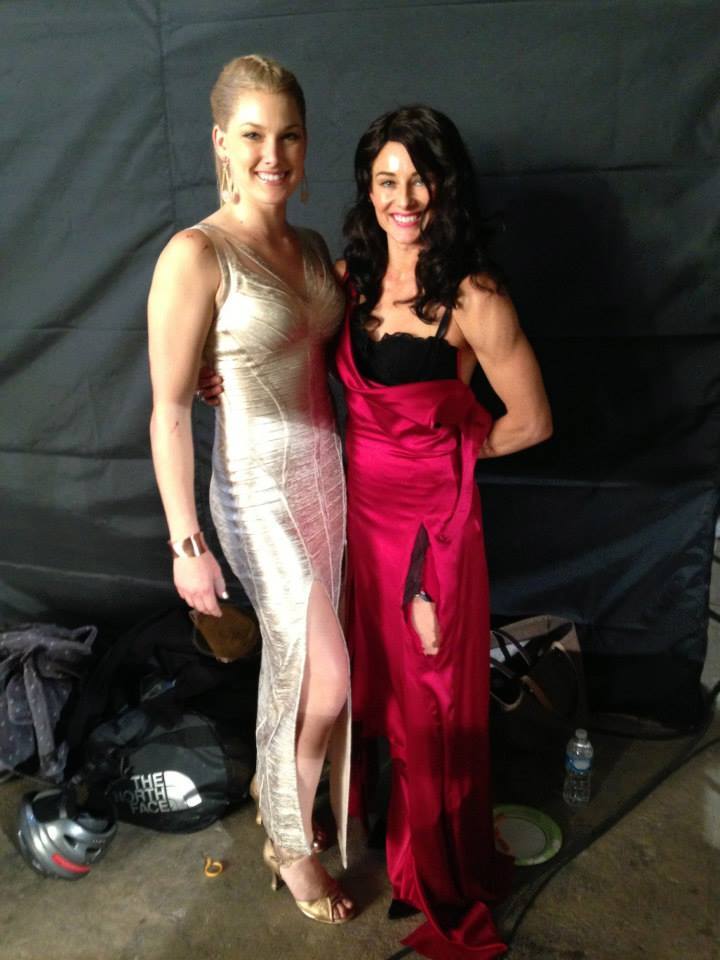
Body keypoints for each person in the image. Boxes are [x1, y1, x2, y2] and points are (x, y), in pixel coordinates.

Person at [333, 105, 552, 959]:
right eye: (387, 180)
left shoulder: (473, 295)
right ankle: (385, 839)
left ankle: (435, 872)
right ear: (368, 188)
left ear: (445, 184)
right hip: (359, 526)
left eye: (420, 179)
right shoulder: (351, 278)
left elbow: (531, 421)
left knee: (430, 709)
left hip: (431, 536)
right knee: (376, 694)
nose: (404, 198)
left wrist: (450, 453)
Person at [147, 54, 354, 924]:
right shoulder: (195, 254)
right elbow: (166, 410)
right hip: (255, 487)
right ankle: (290, 842)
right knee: (323, 679)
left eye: (290, 136)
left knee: (305, 672)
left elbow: (315, 346)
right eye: (254, 136)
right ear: (221, 145)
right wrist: (186, 543)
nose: (274, 155)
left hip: (327, 476)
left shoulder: (312, 248)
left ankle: (287, 804)